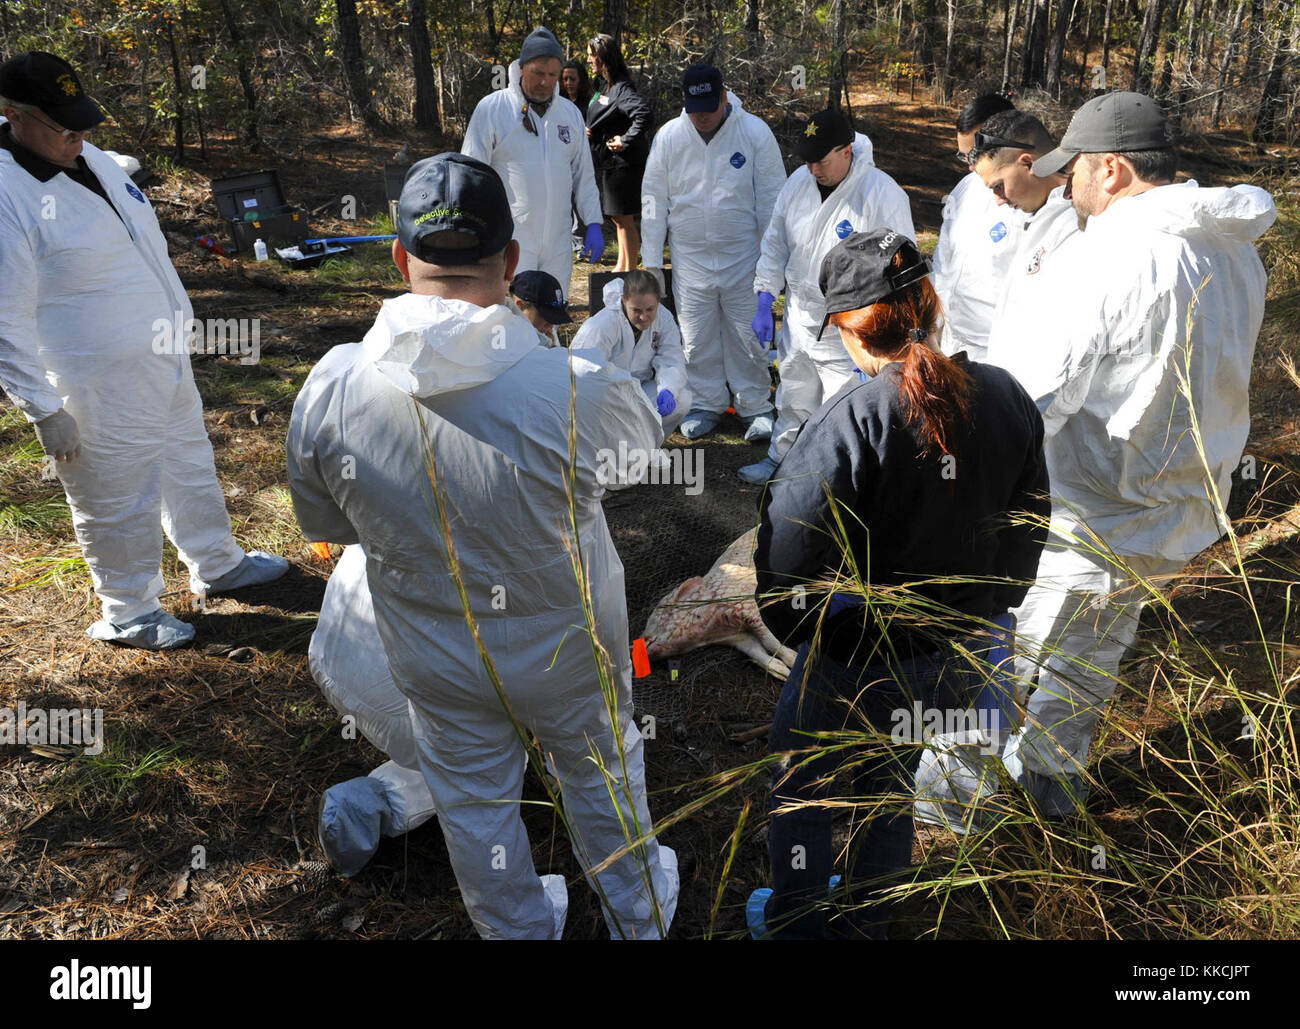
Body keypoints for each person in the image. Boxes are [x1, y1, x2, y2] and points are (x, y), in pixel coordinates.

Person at [287, 153, 678, 939]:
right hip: (564, 650)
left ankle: (521, 927)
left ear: (400, 259)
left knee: (474, 803)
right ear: (509, 262)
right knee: (602, 779)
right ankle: (640, 916)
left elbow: (327, 526)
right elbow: (641, 455)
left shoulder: (333, 387)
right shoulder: (576, 389)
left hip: (431, 651)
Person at [748, 229, 1049, 939]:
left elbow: (785, 570)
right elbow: (1029, 527)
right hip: (952, 654)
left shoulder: (851, 419)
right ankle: (871, 916)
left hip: (857, 658)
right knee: (890, 780)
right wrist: (977, 613)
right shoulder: (1005, 396)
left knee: (807, 781)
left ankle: (800, 921)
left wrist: (830, 637)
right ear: (929, 302)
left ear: (851, 330)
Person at [995, 92, 1277, 816]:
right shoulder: (1234, 249)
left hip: (1083, 514)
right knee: (1096, 648)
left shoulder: (1112, 257)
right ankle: (1053, 782)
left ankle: (943, 818)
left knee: (998, 664)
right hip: (1173, 515)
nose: (1066, 185)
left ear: (1113, 170)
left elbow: (1030, 402)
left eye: (1076, 171)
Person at [0, 51, 288, 651]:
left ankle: (217, 561)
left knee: (187, 461)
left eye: (84, 127)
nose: (79, 142)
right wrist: (42, 407)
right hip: (96, 378)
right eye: (65, 130)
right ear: (12, 115)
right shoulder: (7, 194)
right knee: (116, 491)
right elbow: (3, 313)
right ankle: (129, 609)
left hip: (163, 352)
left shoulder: (88, 157)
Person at [744, 109, 915, 485]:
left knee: (843, 407)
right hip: (800, 316)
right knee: (793, 393)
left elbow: (901, 267)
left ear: (847, 151)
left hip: (850, 329)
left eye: (820, 160)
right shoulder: (797, 186)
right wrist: (763, 298)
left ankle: (833, 480)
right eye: (806, 161)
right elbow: (775, 243)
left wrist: (881, 338)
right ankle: (781, 461)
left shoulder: (881, 193)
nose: (813, 170)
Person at [639, 64, 785, 444]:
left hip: (744, 258)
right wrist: (652, 262)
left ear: (724, 97)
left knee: (746, 338)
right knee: (696, 337)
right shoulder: (670, 137)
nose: (701, 116)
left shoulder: (754, 133)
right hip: (690, 261)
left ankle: (755, 404)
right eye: (693, 107)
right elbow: (654, 200)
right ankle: (706, 402)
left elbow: (773, 203)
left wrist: (772, 269)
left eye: (709, 106)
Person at [461, 27, 605, 293]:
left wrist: (593, 222)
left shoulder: (569, 114)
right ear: (522, 68)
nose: (545, 82)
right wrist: (473, 231)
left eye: (552, 75)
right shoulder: (494, 110)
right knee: (513, 316)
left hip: (558, 242)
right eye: (538, 73)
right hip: (511, 240)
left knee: (551, 315)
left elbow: (583, 175)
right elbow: (471, 176)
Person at [967, 110, 1080, 387]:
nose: (998, 200)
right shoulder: (1036, 217)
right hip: (1014, 399)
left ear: (1028, 162)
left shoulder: (1080, 226)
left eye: (998, 186)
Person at [930, 92, 1019, 360]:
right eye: (962, 156)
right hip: (951, 341)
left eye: (975, 155)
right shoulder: (963, 190)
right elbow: (943, 262)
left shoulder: (1029, 201)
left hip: (996, 351)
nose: (970, 166)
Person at [570, 271, 690, 436]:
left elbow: (672, 359)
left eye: (650, 309)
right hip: (607, 396)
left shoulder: (664, 318)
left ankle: (646, 449)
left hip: (638, 389)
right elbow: (581, 369)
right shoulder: (604, 323)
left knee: (682, 399)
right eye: (636, 310)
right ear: (623, 301)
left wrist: (668, 388)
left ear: (658, 301)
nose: (643, 316)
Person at [585, 33, 652, 273]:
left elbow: (643, 114)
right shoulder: (605, 85)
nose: (588, 60)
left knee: (624, 218)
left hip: (624, 164)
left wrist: (625, 140)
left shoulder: (622, 88)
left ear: (603, 58)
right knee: (617, 218)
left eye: (592, 56)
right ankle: (622, 265)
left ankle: (630, 270)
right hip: (610, 163)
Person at [509, 268, 571, 347]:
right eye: (545, 315)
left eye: (554, 318)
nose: (551, 326)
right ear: (520, 306)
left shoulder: (547, 337)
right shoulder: (500, 339)